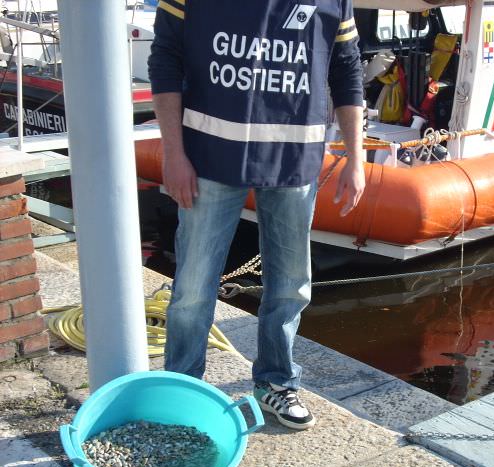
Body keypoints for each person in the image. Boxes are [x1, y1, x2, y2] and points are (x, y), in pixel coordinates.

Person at [148, 0, 365, 430]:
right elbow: (165, 59)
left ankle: (275, 384)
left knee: (290, 286)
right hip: (209, 160)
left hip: (294, 163)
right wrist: (174, 154)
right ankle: (183, 387)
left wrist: (356, 157)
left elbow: (347, 70)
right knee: (192, 288)